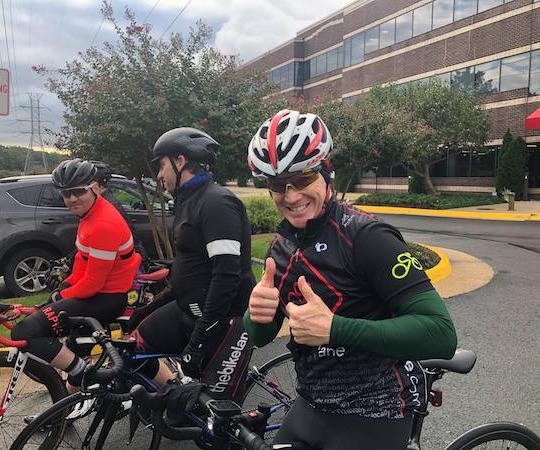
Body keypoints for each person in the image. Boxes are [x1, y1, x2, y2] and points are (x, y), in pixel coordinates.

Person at [244, 109, 457, 450]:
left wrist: (335, 329)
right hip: (309, 406)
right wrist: (257, 312)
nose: (291, 196)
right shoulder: (281, 247)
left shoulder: (368, 237)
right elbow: (259, 334)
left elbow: (441, 334)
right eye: (277, 185)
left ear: (326, 174)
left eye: (302, 179)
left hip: (374, 410)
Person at [129, 127, 255, 398]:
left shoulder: (216, 202)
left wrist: (198, 342)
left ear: (181, 161)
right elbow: (189, 270)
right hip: (189, 312)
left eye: (161, 166)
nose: (159, 175)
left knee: (216, 424)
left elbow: (226, 276)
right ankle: (174, 401)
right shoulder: (188, 201)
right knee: (131, 349)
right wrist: (144, 311)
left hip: (224, 320)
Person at [12, 158, 142, 392]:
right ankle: (66, 408)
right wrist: (63, 289)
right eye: (66, 193)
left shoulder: (103, 224)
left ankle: (83, 371)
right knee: (73, 347)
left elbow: (92, 283)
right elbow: (82, 264)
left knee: (24, 331)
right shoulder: (90, 214)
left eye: (78, 192)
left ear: (94, 188)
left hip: (106, 298)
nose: (71, 199)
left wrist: (57, 298)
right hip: (98, 294)